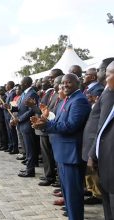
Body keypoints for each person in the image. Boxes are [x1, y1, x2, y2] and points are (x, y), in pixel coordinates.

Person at [31, 73, 91, 220]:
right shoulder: (68, 99)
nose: (64, 85)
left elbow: (71, 126)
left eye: (69, 82)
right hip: (63, 153)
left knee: (73, 195)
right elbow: (58, 121)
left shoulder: (79, 101)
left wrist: (47, 125)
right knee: (68, 195)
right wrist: (43, 123)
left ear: (78, 83)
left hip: (71, 155)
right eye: (63, 83)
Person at [88, 61, 114, 220]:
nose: (105, 78)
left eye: (109, 74)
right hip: (105, 162)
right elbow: (101, 129)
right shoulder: (109, 92)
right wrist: (93, 154)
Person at [7, 77, 39, 177]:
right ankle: (28, 168)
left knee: (30, 149)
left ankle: (30, 171)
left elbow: (31, 110)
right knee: (26, 148)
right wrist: (10, 107)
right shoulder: (24, 93)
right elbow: (19, 107)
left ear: (25, 83)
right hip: (22, 125)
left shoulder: (32, 93)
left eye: (21, 82)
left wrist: (19, 119)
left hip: (27, 125)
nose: (19, 84)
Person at [3, 81, 19, 153]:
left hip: (10, 115)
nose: (5, 86)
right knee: (9, 132)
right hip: (7, 115)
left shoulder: (12, 93)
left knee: (12, 133)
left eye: (6, 85)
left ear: (9, 85)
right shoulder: (9, 93)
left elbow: (13, 105)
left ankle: (14, 147)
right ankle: (10, 146)